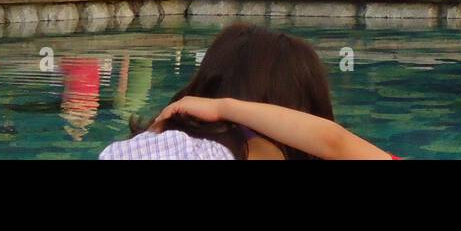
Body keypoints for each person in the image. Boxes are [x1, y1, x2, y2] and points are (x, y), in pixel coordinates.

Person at [99, 25, 392, 160]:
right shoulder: (202, 152)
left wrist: (223, 108)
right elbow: (334, 142)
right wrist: (228, 108)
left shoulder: (151, 147)